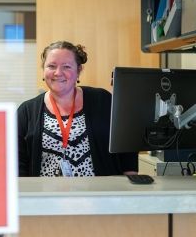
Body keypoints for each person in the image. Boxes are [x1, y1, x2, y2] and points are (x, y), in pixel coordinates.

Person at [17, 41, 138, 177]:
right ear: (43, 70)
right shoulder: (26, 111)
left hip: (100, 193)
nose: (58, 73)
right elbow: (18, 161)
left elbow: (125, 141)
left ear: (78, 70)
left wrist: (130, 179)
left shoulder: (103, 100)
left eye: (66, 67)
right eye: (51, 66)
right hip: (47, 195)